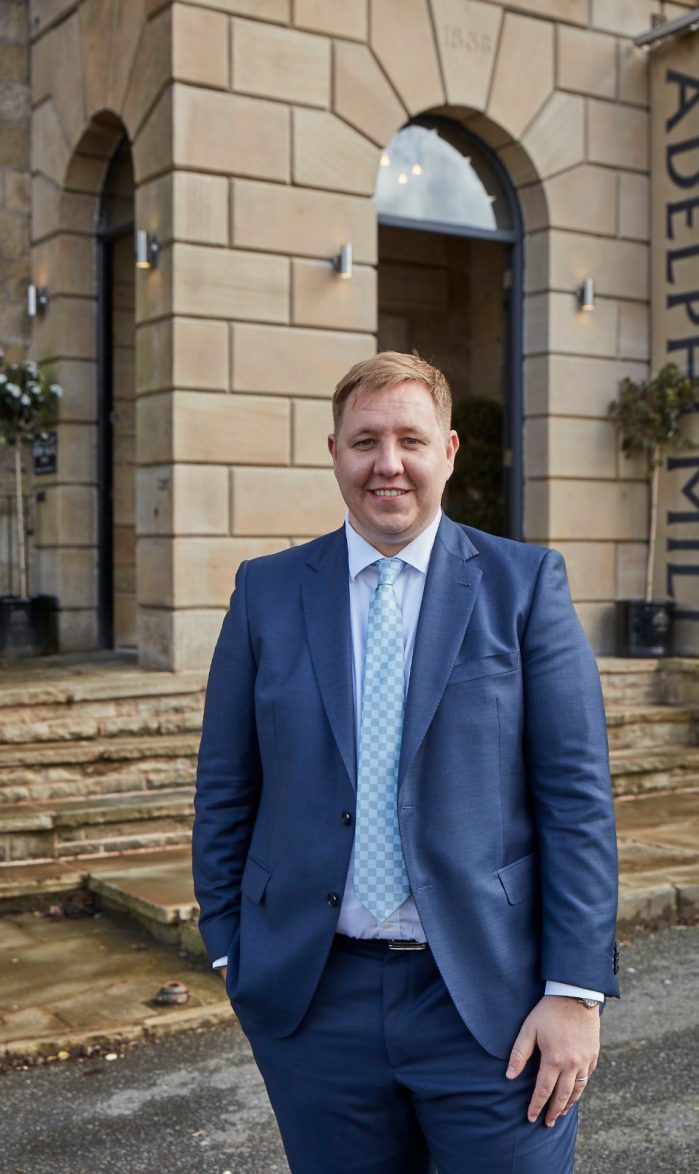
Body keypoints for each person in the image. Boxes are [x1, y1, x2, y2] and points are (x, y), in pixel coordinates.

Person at [192, 351, 619, 1173]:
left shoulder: (525, 586)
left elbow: (576, 801)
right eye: (365, 442)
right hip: (315, 1004)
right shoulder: (266, 593)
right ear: (335, 453)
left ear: (448, 452)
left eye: (410, 441)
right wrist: (229, 949)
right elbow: (226, 786)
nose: (387, 464)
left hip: (492, 1001)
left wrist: (574, 991)